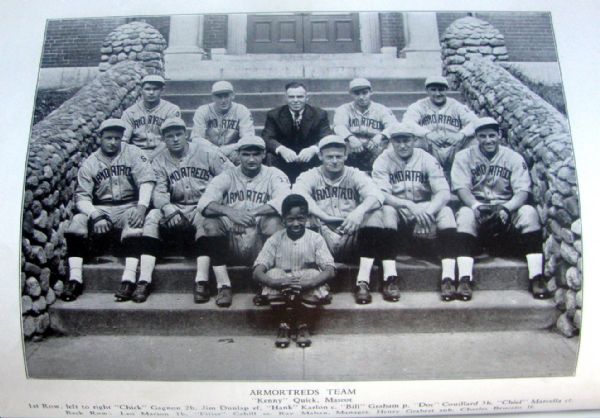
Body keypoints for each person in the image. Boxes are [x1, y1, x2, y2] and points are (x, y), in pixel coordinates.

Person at [134, 117, 234, 304]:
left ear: (186, 134)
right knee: (152, 216)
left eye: (179, 134)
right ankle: (144, 280)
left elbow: (229, 177)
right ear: (164, 139)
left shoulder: (207, 152)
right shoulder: (159, 160)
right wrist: (167, 207)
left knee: (205, 219)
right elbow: (159, 190)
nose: (175, 139)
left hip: (203, 204)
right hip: (177, 206)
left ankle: (201, 280)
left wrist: (214, 202)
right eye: (169, 136)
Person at [451, 117, 551, 300]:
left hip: (506, 206)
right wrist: (475, 206)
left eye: (492, 135)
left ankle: (536, 276)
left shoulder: (513, 157)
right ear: (476, 137)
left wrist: (506, 208)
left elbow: (522, 191)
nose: (488, 140)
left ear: (499, 135)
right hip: (477, 205)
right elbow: (461, 188)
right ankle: (465, 278)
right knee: (464, 216)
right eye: (483, 136)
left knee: (529, 213)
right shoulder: (464, 156)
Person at [62, 119, 155, 302]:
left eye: (117, 138)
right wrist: (95, 215)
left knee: (134, 225)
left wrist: (142, 207)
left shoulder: (133, 153)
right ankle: (74, 279)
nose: (113, 142)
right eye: (108, 138)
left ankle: (128, 279)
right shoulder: (90, 162)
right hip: (101, 207)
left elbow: (146, 181)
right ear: (100, 138)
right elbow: (81, 197)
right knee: (77, 223)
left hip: (128, 204)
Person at [196, 136, 291, 307]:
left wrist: (249, 214)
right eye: (246, 154)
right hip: (233, 236)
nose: (251, 159)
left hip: (260, 241)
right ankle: (223, 285)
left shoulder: (274, 174)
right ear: (238, 155)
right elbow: (203, 203)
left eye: (256, 154)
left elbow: (285, 200)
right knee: (210, 222)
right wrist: (231, 212)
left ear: (264, 154)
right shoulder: (227, 175)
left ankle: (266, 283)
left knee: (275, 221)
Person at [293, 135, 386, 304]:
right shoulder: (310, 175)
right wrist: (324, 216)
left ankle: (362, 281)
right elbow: (297, 195)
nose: (334, 161)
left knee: (376, 214)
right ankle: (318, 281)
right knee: (302, 218)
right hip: (322, 236)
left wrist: (359, 212)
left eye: (338, 156)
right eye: (329, 157)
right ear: (320, 156)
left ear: (346, 156)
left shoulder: (354, 174)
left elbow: (377, 195)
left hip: (351, 234)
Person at [372, 123, 460, 302]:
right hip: (400, 209)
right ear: (391, 142)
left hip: (426, 206)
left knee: (447, 212)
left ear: (415, 140)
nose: (403, 145)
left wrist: (427, 212)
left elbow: (443, 192)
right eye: (398, 141)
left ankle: (448, 277)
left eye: (407, 140)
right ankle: (390, 277)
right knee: (386, 211)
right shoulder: (383, 159)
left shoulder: (426, 158)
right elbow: (381, 194)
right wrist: (409, 205)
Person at [253, 194, 336, 348]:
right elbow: (258, 271)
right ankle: (284, 323)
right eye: (290, 219)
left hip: (305, 282)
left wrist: (311, 282)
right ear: (283, 219)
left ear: (307, 218)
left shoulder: (315, 238)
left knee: (313, 273)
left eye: (300, 218)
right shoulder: (275, 239)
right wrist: (275, 282)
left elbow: (330, 269)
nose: (296, 223)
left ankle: (302, 324)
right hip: (283, 283)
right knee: (273, 273)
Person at [402, 76, 478, 176]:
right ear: (427, 91)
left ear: (446, 90)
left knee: (475, 141)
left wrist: (461, 135)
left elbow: (476, 122)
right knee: (413, 142)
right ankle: (417, 178)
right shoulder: (419, 105)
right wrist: (427, 134)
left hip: (454, 148)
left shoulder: (456, 105)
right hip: (430, 148)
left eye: (441, 90)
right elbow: (407, 122)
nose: (437, 94)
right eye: (433, 90)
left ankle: (471, 178)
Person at [262, 82, 332, 182]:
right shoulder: (274, 115)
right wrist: (282, 149)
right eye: (291, 97)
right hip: (284, 158)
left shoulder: (319, 114)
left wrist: (313, 149)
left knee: (322, 153)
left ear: (307, 98)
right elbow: (267, 137)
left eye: (300, 97)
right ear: (286, 98)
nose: (296, 100)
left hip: (309, 159)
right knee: (270, 156)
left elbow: (326, 136)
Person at [333, 78, 398, 171]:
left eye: (364, 93)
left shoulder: (381, 109)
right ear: (351, 94)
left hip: (375, 146)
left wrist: (381, 136)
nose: (361, 97)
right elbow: (338, 126)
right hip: (352, 148)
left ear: (371, 92)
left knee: (392, 143)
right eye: (357, 94)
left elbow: (393, 126)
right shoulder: (343, 109)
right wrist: (350, 138)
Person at [191, 80, 255, 162]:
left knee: (241, 156)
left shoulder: (242, 110)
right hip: (208, 152)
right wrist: (216, 150)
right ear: (213, 97)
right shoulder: (203, 111)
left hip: (233, 152)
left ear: (232, 96)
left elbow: (248, 138)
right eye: (219, 96)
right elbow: (196, 138)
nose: (223, 100)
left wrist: (230, 148)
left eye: (226, 96)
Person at [121, 75, 181, 159]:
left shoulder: (171, 110)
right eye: (147, 89)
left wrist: (149, 158)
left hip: (164, 153)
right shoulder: (129, 112)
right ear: (141, 90)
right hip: (136, 155)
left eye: (155, 89)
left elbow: (169, 139)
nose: (151, 92)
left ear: (162, 90)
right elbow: (124, 140)